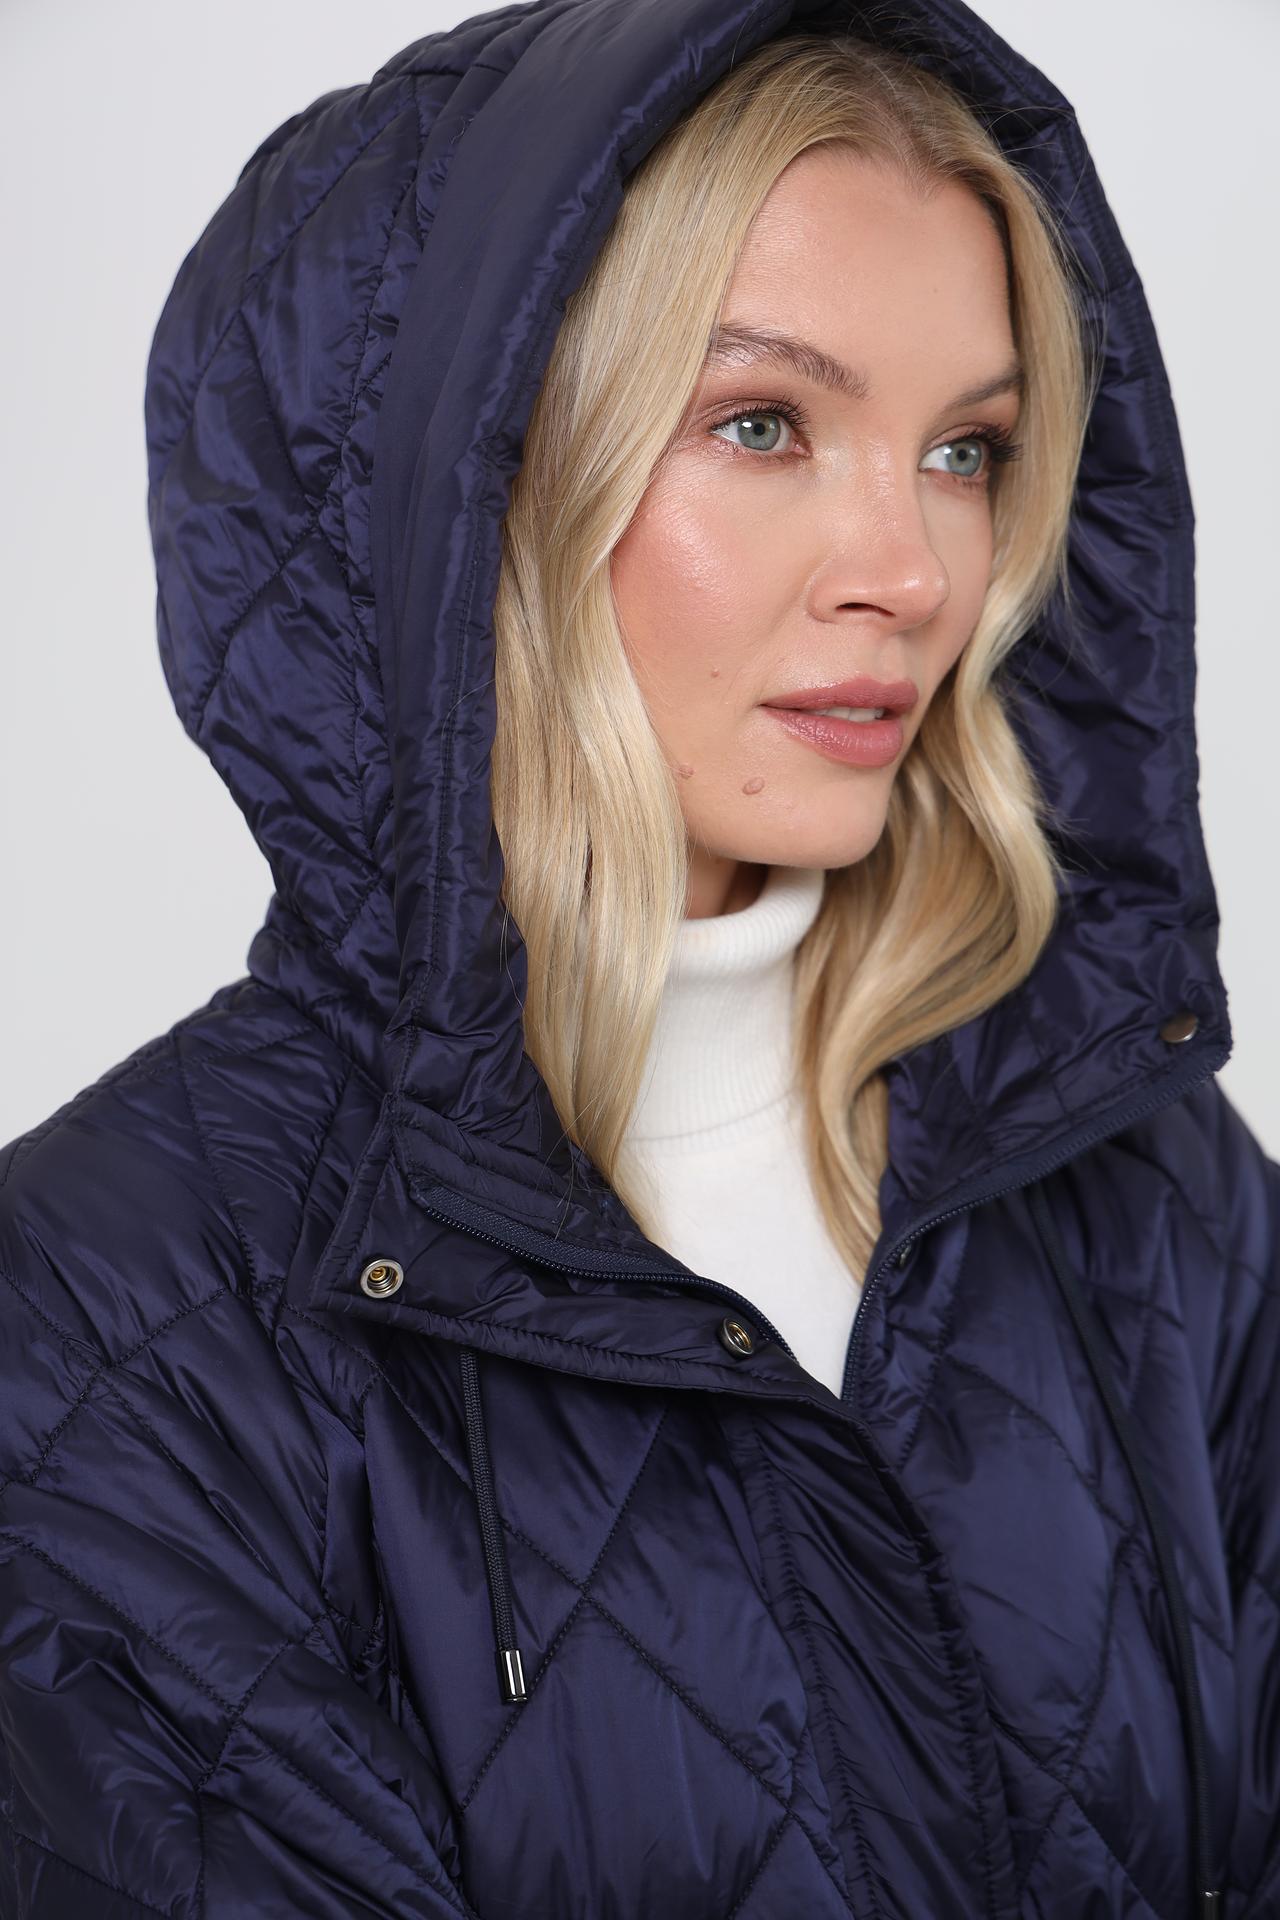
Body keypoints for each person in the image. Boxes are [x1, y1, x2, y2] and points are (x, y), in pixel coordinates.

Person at [0, 2, 1274, 1914]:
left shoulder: (1138, 1176)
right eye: (764, 424)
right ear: (467, 493)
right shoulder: (104, 1331)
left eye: (967, 449)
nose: (917, 570)